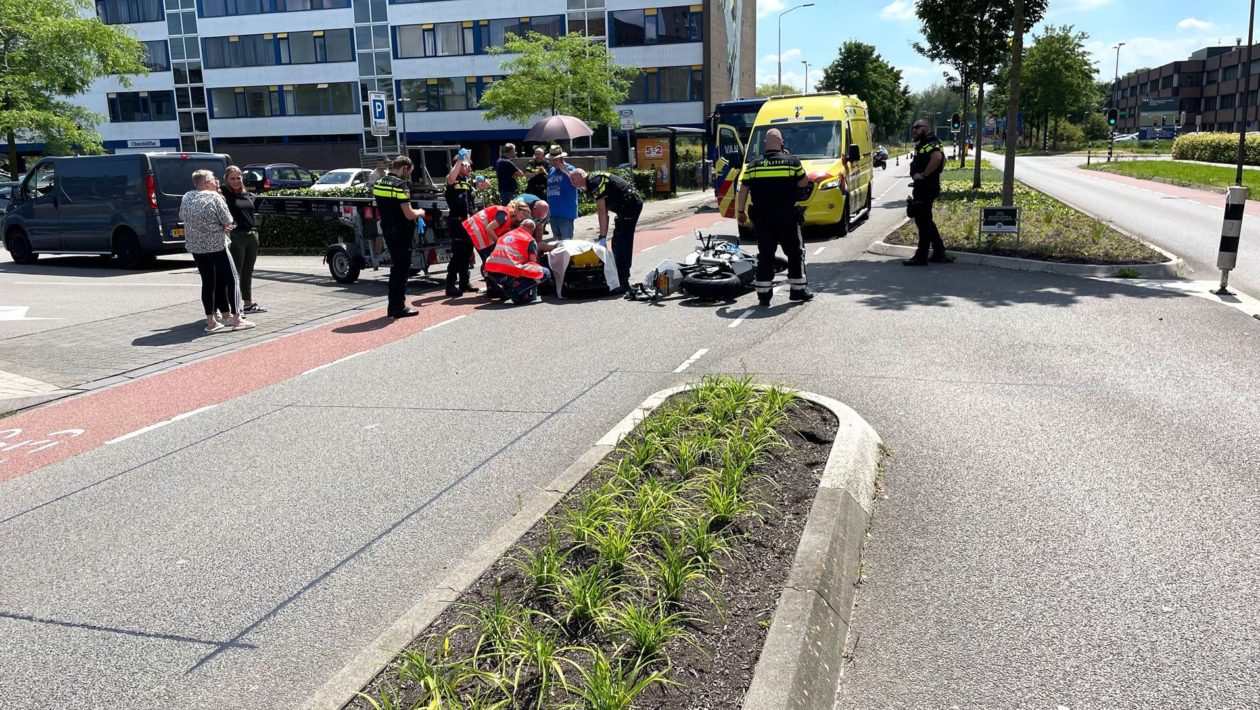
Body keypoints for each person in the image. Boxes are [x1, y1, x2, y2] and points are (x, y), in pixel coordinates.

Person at [735, 127, 813, 307]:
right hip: (787, 217)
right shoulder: (791, 162)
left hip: (762, 219)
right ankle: (797, 291)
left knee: (766, 255)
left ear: (765, 145)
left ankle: (764, 296)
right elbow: (804, 181)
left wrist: (740, 211)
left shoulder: (753, 165)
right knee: (795, 253)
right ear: (781, 143)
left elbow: (743, 190)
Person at [180, 169, 254, 333]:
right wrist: (221, 225)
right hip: (217, 245)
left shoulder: (187, 196)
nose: (216, 182)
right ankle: (237, 319)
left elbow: (182, 216)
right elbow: (228, 220)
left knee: (208, 282)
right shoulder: (215, 197)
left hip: (197, 247)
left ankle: (211, 321)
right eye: (213, 179)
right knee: (232, 280)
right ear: (207, 183)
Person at [569, 169, 642, 293]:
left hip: (630, 205)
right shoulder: (592, 181)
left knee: (622, 244)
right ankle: (619, 279)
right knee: (616, 243)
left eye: (573, 179)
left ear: (582, 175)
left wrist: (602, 236)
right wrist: (602, 236)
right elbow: (605, 214)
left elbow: (602, 213)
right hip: (626, 207)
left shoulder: (594, 182)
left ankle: (623, 282)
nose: (571, 183)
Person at [372, 155, 424, 318]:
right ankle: (397, 306)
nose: (408, 176)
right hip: (401, 231)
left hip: (387, 228)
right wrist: (420, 213)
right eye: (408, 172)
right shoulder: (400, 185)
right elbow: (408, 214)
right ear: (404, 168)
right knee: (401, 269)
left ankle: (393, 305)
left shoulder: (379, 182)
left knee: (397, 267)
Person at [221, 165, 265, 315]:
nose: (236, 181)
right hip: (236, 236)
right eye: (232, 178)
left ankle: (248, 304)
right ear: (226, 180)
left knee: (248, 271)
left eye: (238, 178)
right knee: (235, 273)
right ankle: (233, 306)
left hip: (251, 235)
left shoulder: (247, 194)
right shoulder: (224, 194)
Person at [904, 118, 947, 266]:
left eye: (917, 127)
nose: (914, 130)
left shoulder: (931, 141)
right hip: (923, 186)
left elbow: (938, 158)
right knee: (925, 219)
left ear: (926, 128)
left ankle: (921, 256)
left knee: (923, 221)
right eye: (913, 128)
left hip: (926, 187)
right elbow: (942, 161)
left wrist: (924, 175)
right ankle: (939, 251)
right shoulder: (924, 143)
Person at [443, 159, 490, 298]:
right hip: (457, 221)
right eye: (465, 164)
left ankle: (464, 283)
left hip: (469, 222)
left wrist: (483, 179)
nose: (469, 166)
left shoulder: (467, 181)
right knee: (458, 254)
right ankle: (450, 285)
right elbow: (451, 177)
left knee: (468, 254)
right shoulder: (452, 179)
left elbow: (486, 186)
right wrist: (459, 160)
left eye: (469, 164)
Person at [483, 218, 556, 304]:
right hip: (509, 272)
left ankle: (507, 289)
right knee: (545, 272)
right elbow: (532, 262)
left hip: (490, 271)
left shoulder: (505, 235)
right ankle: (516, 291)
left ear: (521, 225)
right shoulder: (529, 239)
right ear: (532, 230)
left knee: (520, 297)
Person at [545, 145, 579, 240]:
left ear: (561, 158)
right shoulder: (551, 170)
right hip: (553, 213)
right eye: (551, 159)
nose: (553, 161)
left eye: (555, 159)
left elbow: (578, 184)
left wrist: (566, 171)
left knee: (567, 243)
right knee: (557, 244)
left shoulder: (571, 168)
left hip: (566, 213)